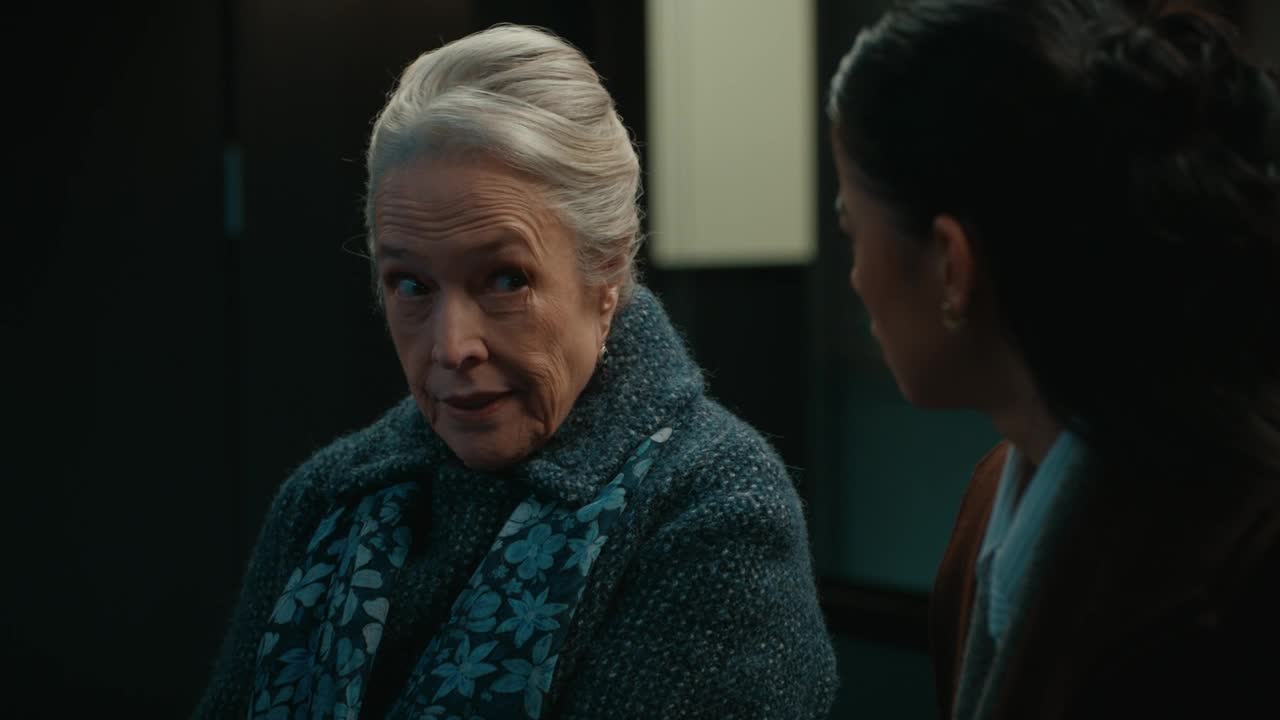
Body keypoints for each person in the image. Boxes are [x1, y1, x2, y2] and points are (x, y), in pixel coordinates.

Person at [195, 24, 837, 720]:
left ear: (607, 269)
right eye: (411, 285)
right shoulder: (326, 500)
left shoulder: (713, 511)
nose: (451, 347)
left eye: (505, 279)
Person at [826, 0, 1279, 717]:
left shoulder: (1236, 579)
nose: (854, 276)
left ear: (952, 265)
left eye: (854, 230)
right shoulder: (990, 504)